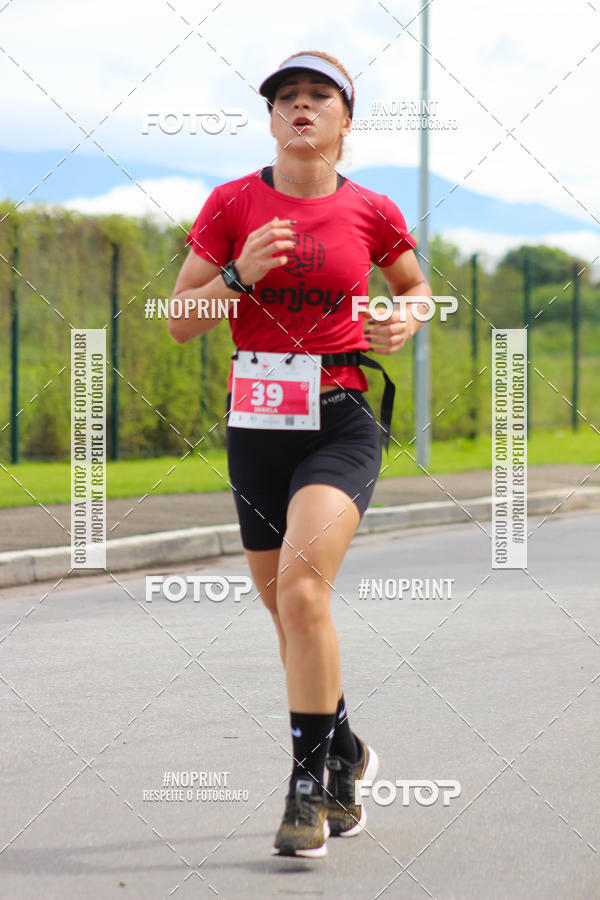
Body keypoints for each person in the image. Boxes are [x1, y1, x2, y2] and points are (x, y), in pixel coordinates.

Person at [169, 50, 432, 858]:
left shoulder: (374, 210)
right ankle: (347, 750)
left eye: (320, 96)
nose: (302, 107)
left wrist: (406, 319)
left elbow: (414, 289)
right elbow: (178, 315)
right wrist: (239, 278)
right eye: (287, 97)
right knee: (288, 610)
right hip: (255, 426)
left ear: (345, 121)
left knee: (303, 593)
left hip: (340, 417)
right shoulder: (232, 203)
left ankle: (310, 788)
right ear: (272, 118)